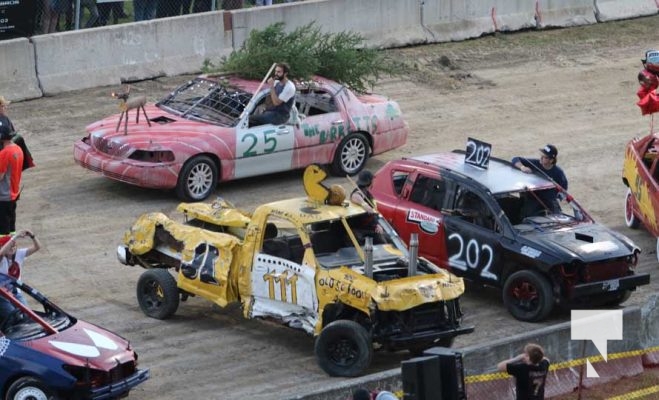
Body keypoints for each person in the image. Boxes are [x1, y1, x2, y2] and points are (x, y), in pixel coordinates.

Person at [511, 144, 568, 214]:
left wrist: (557, 198)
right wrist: (522, 167)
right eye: (541, 155)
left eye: (544, 157)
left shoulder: (558, 173)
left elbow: (563, 188)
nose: (541, 158)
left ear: (551, 160)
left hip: (549, 200)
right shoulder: (535, 163)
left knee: (558, 216)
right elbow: (515, 159)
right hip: (533, 199)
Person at [0, 230, 41, 307]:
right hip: (2, 295)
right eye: (10, 246)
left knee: (28, 314)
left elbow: (37, 247)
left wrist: (32, 236)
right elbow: (1, 253)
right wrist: (15, 237)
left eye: (14, 246)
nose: (12, 248)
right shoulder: (1, 258)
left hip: (16, 292)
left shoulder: (19, 253)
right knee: (11, 314)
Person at [249, 62, 296, 127]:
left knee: (250, 119)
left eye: (279, 72)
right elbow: (270, 97)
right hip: (271, 111)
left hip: (280, 116)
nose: (276, 74)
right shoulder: (277, 82)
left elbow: (276, 103)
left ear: (285, 74)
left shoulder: (289, 87)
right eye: (275, 71)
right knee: (251, 116)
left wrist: (271, 86)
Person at [0, 117, 24, 236]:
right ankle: (12, 248)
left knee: (3, 230)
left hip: (3, 196)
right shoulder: (18, 149)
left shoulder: (4, 153)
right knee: (11, 226)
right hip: (14, 193)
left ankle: (4, 251)